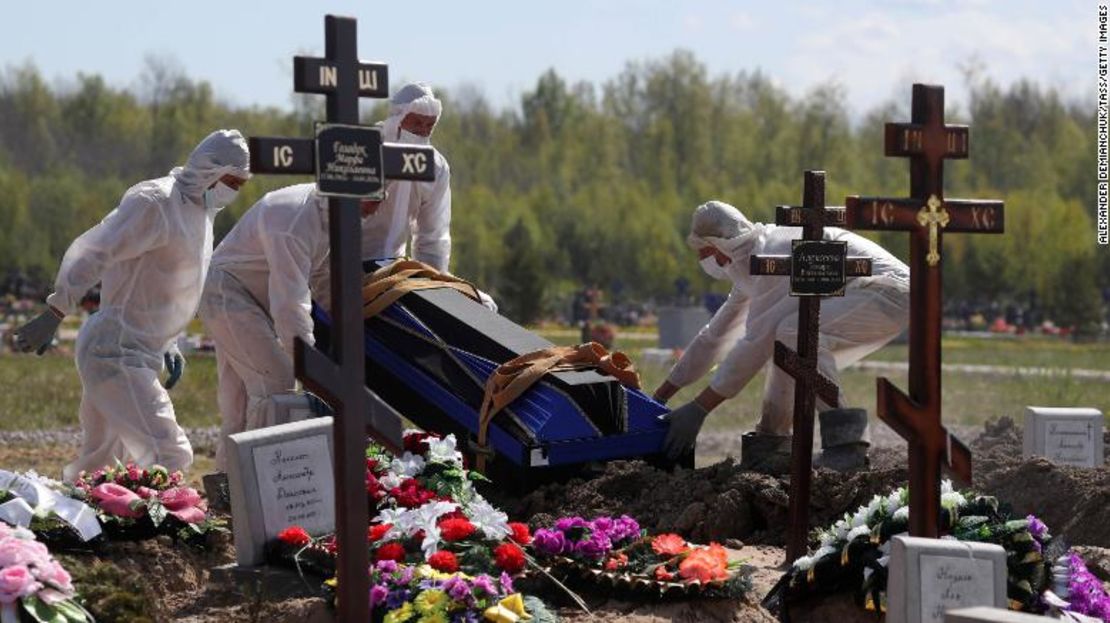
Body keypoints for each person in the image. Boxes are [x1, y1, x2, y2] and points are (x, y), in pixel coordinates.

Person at [12, 130, 250, 480]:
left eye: (239, 184)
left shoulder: (200, 213)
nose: (232, 191)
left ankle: (85, 530)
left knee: (100, 468)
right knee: (170, 452)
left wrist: (168, 341)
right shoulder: (156, 202)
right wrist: (56, 309)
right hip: (115, 351)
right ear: (209, 169)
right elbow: (95, 252)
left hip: (137, 351)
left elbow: (166, 284)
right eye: (230, 180)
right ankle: (163, 527)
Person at [654, 201, 910, 472]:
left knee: (793, 333)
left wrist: (699, 407)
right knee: (788, 342)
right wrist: (660, 397)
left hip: (892, 290)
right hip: (876, 292)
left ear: (722, 245)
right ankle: (771, 444)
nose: (703, 259)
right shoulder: (747, 265)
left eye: (704, 250)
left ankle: (847, 445)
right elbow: (714, 337)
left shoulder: (770, 256)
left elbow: (754, 345)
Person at [199, 183, 336, 471]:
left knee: (239, 404)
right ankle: (260, 490)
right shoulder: (294, 218)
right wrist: (312, 367)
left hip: (251, 303)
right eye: (376, 195)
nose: (380, 205)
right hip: (228, 294)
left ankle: (228, 495)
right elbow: (290, 303)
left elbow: (322, 279)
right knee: (276, 383)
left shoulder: (334, 216)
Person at [363, 82, 452, 271]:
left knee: (484, 302)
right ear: (399, 118)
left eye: (430, 124)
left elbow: (433, 237)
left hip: (394, 268)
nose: (423, 130)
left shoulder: (436, 167)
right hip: (347, 265)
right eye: (417, 122)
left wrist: (435, 282)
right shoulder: (365, 150)